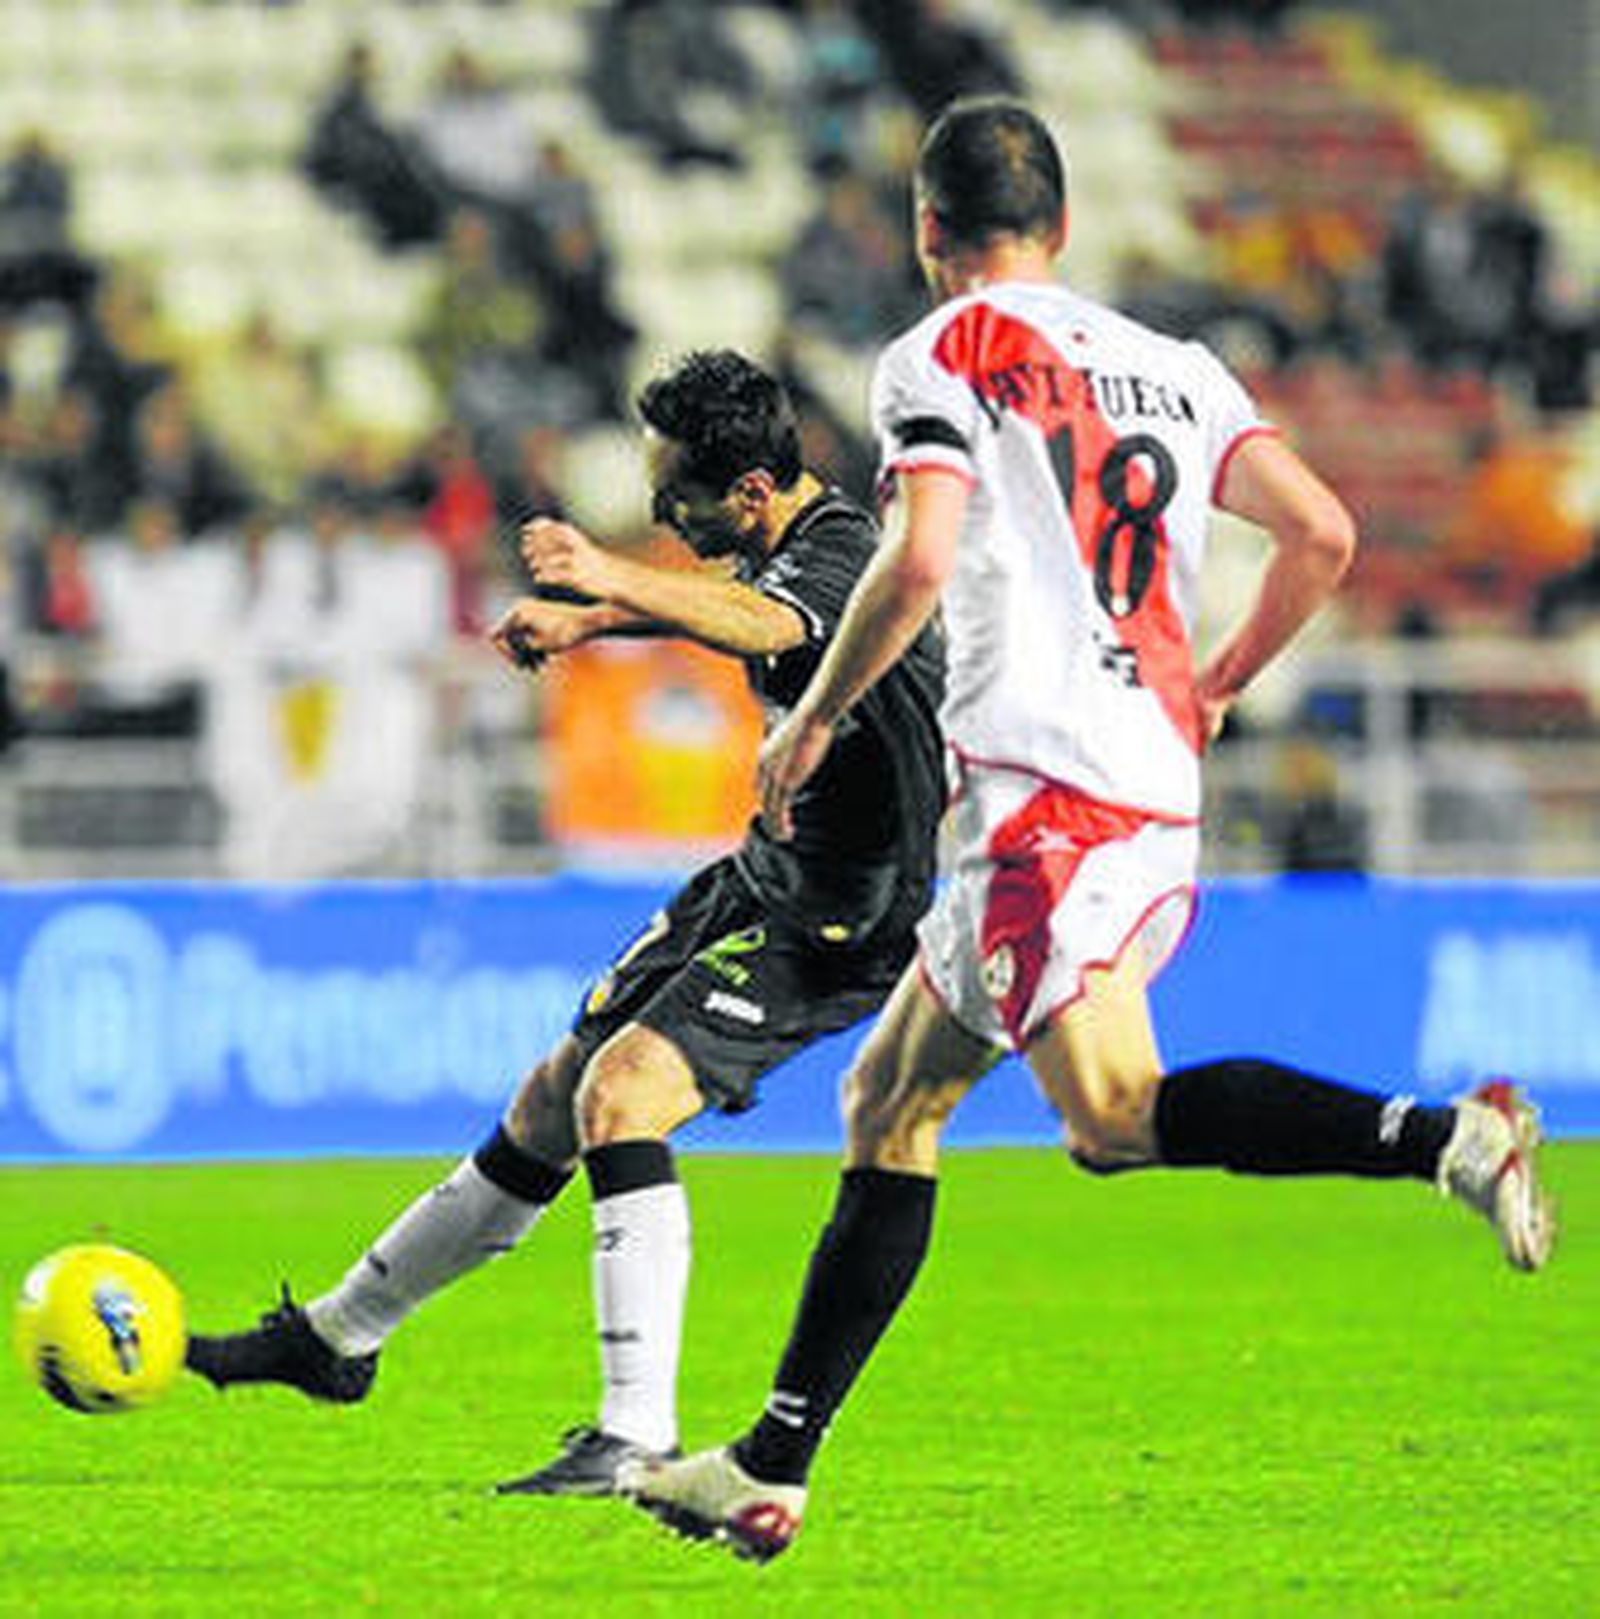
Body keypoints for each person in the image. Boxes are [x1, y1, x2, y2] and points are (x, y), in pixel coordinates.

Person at [625, 97, 1556, 1563]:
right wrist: (1224, 681)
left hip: (1040, 793)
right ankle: (771, 1461)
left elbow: (922, 556)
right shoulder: (1177, 370)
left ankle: (1449, 1136)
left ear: (931, 231)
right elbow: (1322, 534)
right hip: (1140, 783)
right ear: (1060, 225)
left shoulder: (938, 354)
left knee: (1113, 1118)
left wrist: (808, 719)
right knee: (892, 1101)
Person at [183, 350, 947, 1499]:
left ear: (747, 491)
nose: (657, 514)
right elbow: (738, 614)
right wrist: (596, 621)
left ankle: (633, 1430)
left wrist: (607, 577)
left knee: (621, 1096)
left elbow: (761, 623)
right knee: (555, 1093)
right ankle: (339, 1337)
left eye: (673, 492)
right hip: (759, 874)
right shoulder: (781, 549)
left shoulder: (839, 553)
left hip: (844, 913)